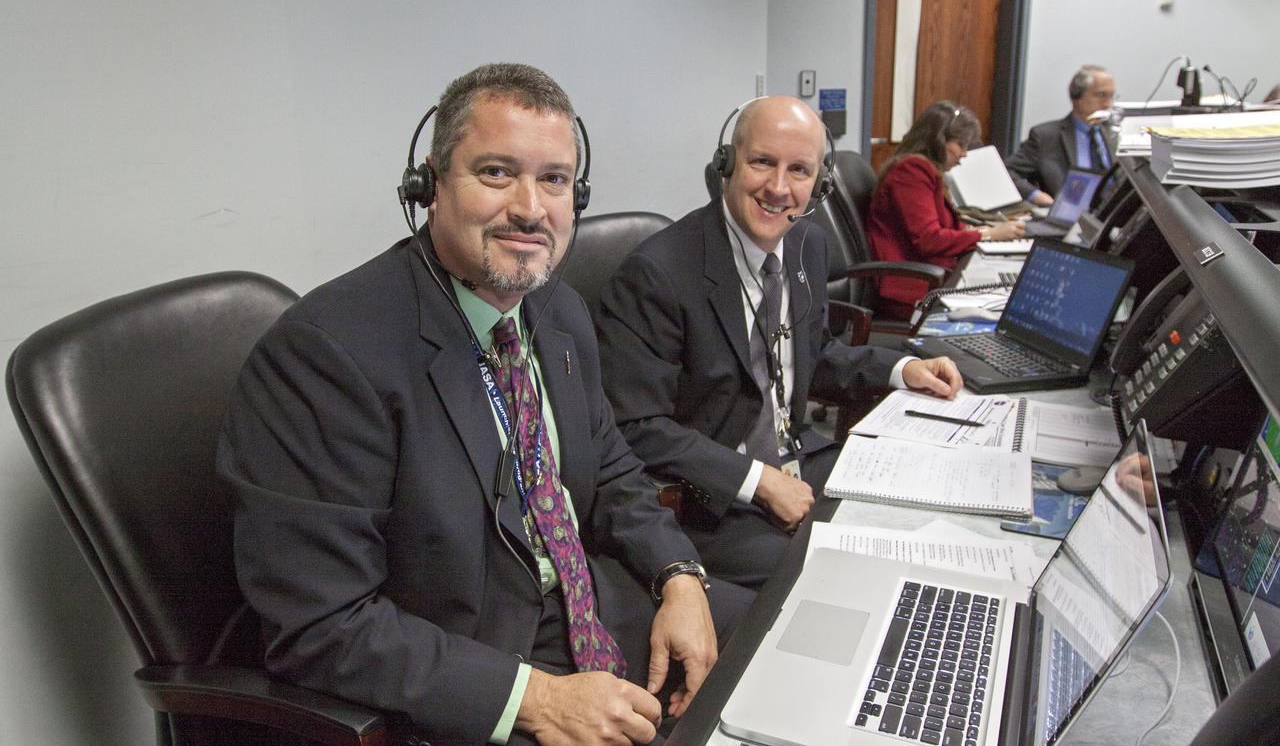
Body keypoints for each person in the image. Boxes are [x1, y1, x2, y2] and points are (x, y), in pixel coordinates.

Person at [217, 63, 750, 746]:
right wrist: (536, 699)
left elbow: (612, 466)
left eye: (554, 179)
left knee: (777, 647)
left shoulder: (555, 309)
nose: (530, 207)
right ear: (430, 186)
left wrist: (679, 575)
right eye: (497, 173)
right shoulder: (325, 355)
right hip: (460, 670)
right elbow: (323, 625)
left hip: (584, 604)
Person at [595, 96, 963, 591]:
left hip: (798, 461)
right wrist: (759, 481)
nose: (778, 188)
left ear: (820, 183)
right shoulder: (657, 274)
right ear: (725, 165)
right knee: (839, 579)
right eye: (762, 162)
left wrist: (901, 370)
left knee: (917, 502)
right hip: (711, 500)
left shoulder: (808, 245)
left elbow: (814, 356)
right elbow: (636, 426)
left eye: (799, 170)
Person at [866, 101, 1025, 320]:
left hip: (934, 277)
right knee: (1002, 309)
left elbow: (943, 226)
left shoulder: (925, 170)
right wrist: (988, 234)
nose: (964, 154)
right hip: (912, 289)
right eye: (960, 144)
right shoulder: (911, 170)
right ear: (939, 140)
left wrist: (982, 230)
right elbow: (929, 239)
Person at [1006, 64, 1118, 203]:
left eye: (1111, 96)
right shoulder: (1046, 137)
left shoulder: (1116, 135)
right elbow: (1006, 172)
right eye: (1101, 95)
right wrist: (1035, 195)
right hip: (1069, 215)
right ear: (1076, 95)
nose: (1108, 104)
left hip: (1114, 216)